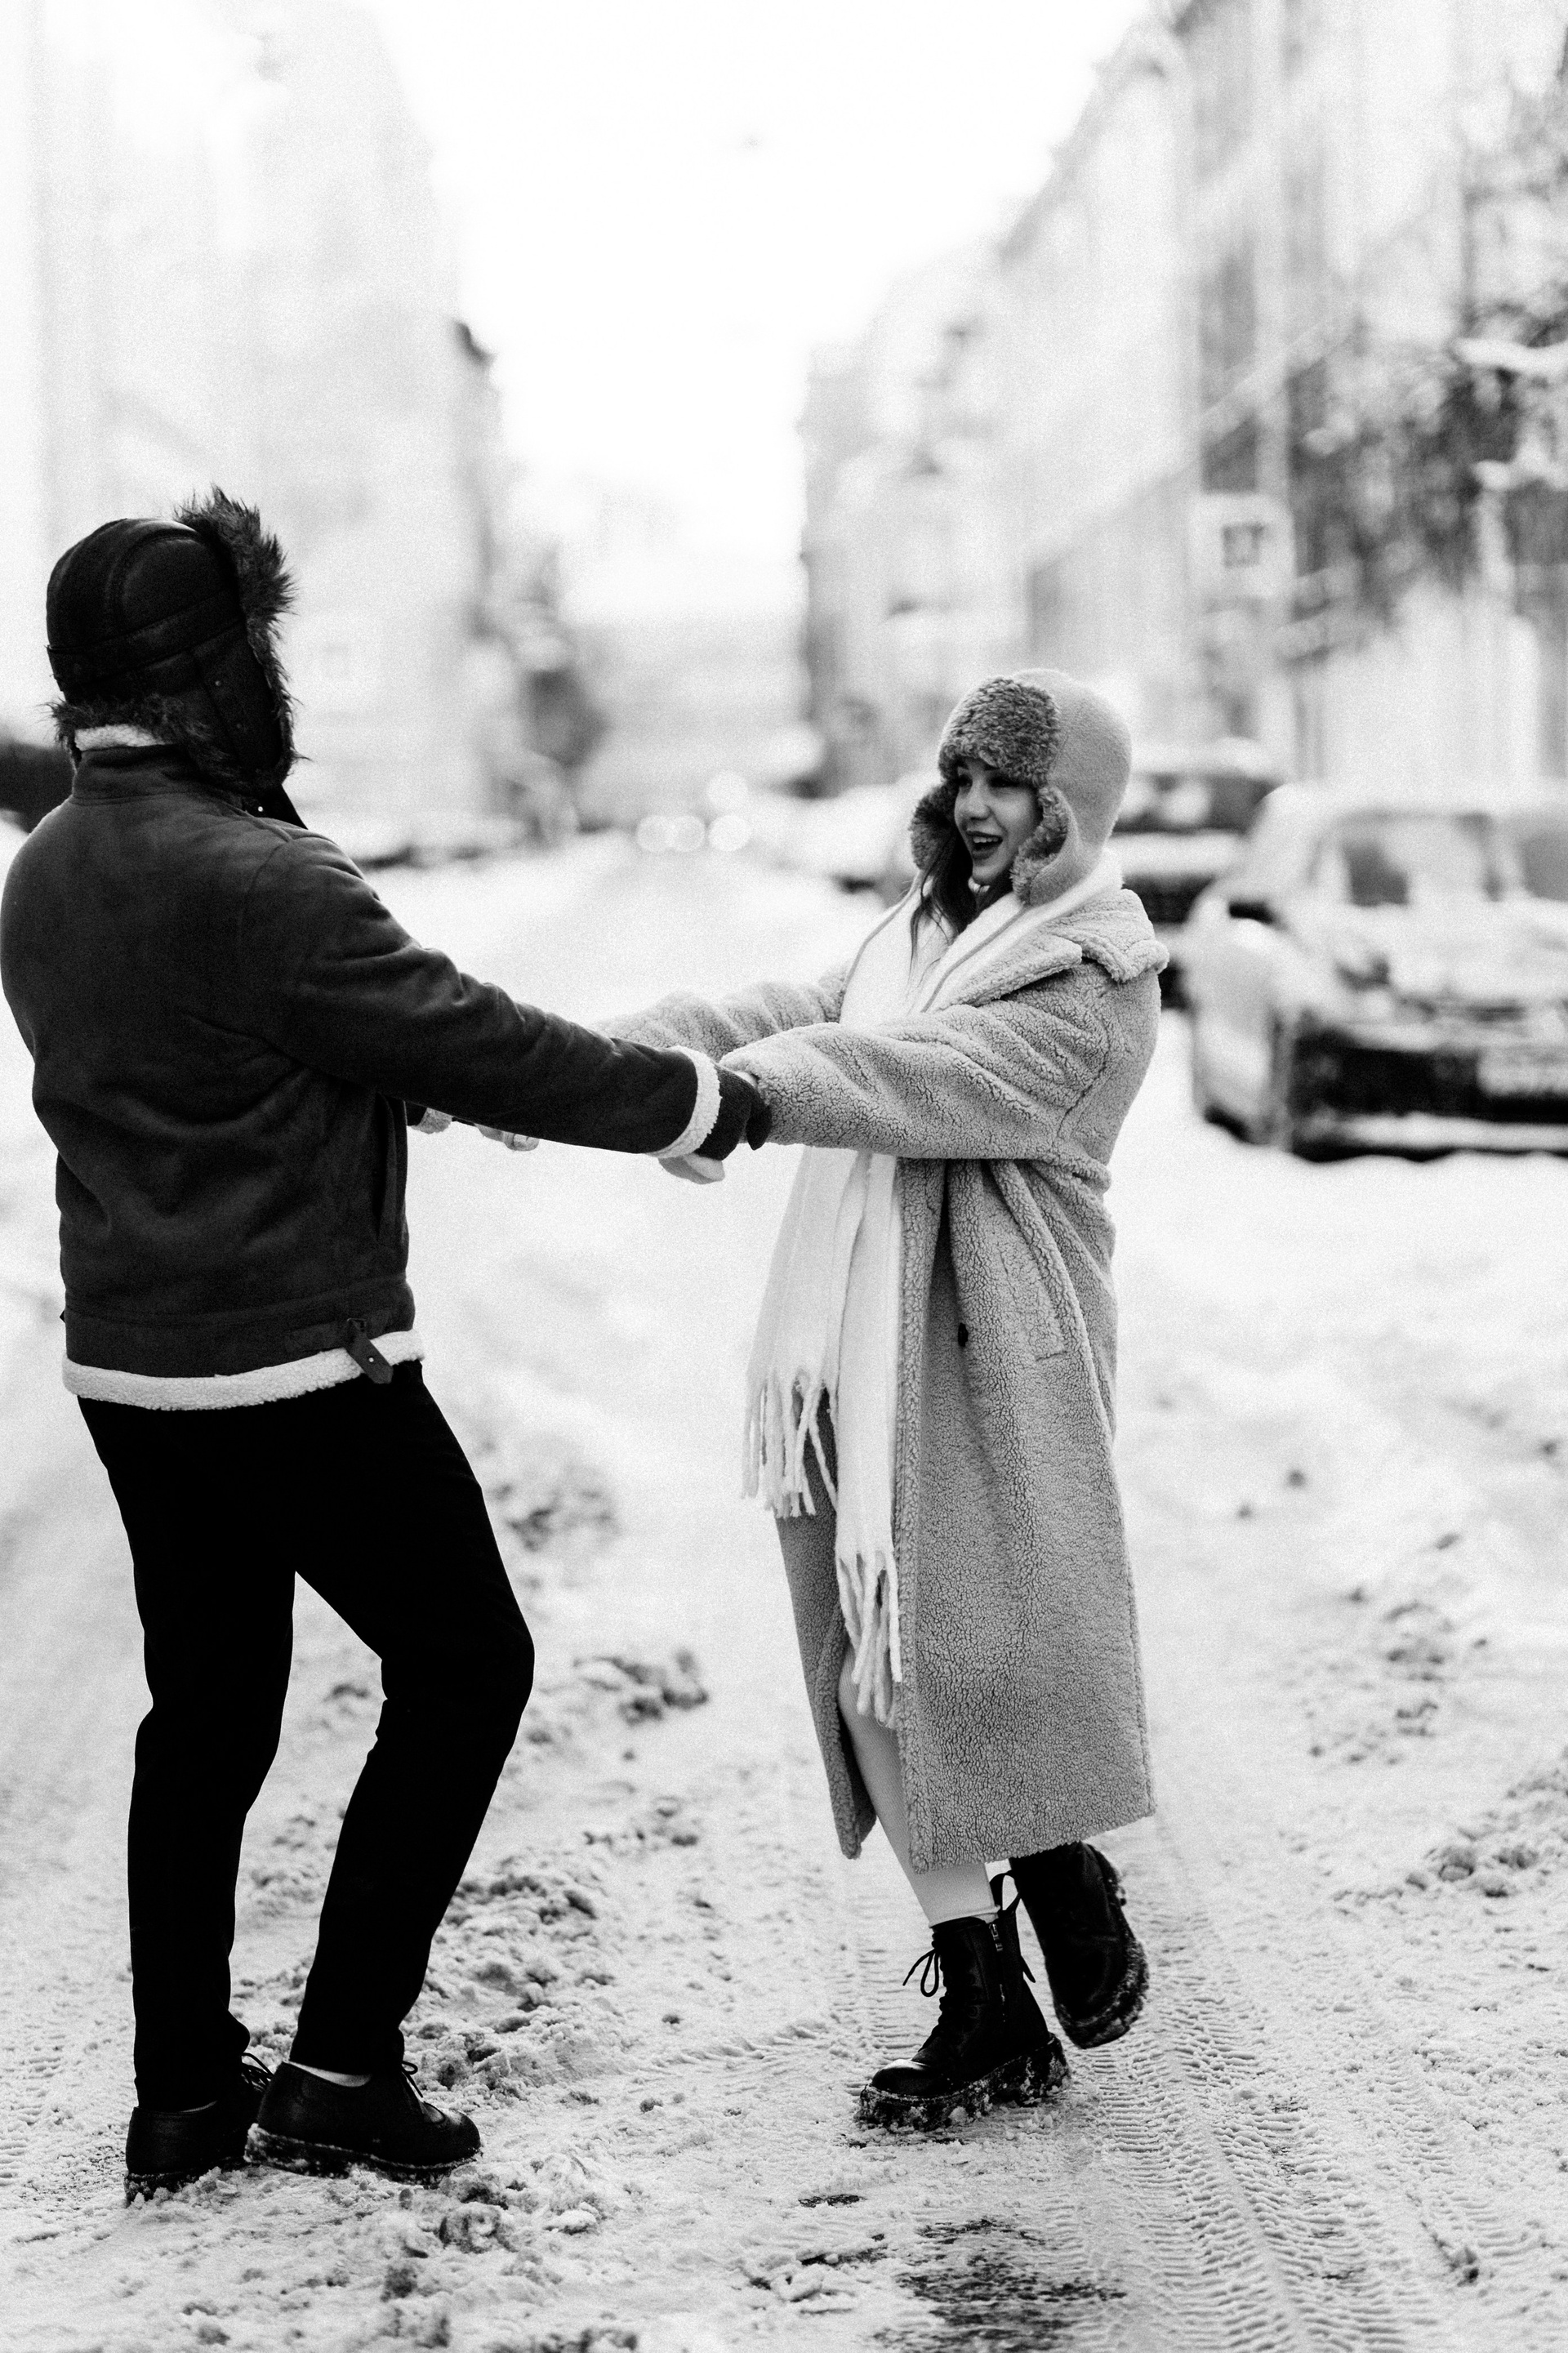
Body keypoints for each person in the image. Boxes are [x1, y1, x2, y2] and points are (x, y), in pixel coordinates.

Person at [0, 491, 768, 2199]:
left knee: (204, 1716)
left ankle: (182, 2095)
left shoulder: (46, 866)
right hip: (297, 1369)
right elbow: (480, 1039)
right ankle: (341, 2066)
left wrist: (355, 1076)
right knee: (468, 1665)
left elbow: (205, 1063)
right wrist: (697, 1099)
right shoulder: (263, 874)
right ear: (218, 671)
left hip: (132, 1369)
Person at [615, 670, 1162, 2129]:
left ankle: (1057, 1861)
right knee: (868, 1664)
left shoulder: (1093, 984)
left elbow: (906, 1073)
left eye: (1009, 785)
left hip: (991, 1361)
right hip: (856, 1345)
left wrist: (738, 1096)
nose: (974, 806)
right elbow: (804, 1008)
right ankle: (984, 1991)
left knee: (977, 1662)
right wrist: (607, 1059)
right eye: (963, 776)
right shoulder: (918, 933)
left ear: (1068, 809)